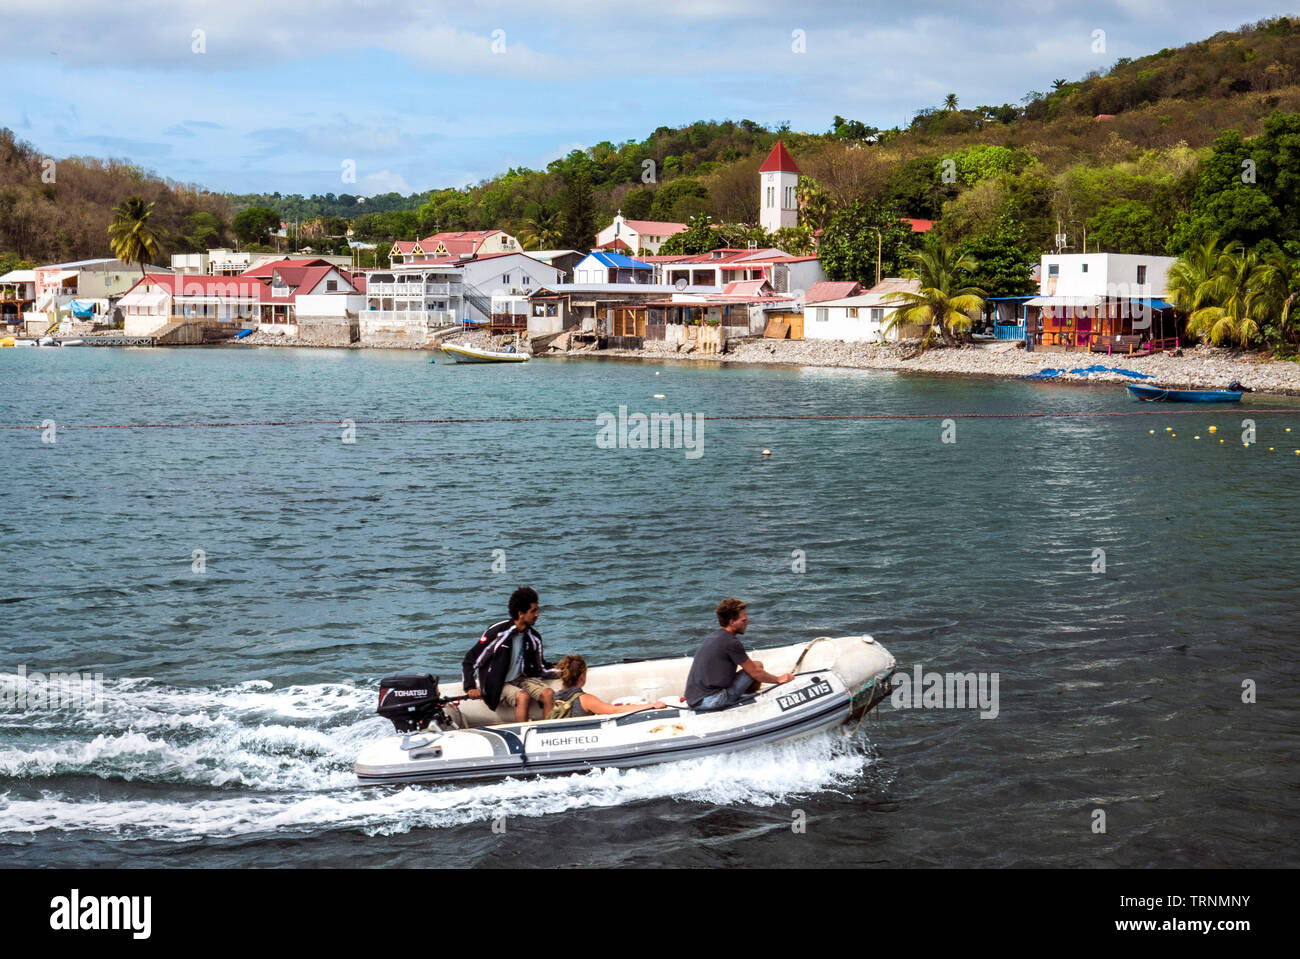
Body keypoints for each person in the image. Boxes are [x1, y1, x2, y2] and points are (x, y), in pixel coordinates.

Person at [461, 586, 556, 722]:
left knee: (548, 694)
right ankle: (522, 735)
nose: (537, 614)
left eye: (537, 610)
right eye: (533, 611)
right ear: (520, 613)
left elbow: (541, 668)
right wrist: (470, 687)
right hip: (496, 684)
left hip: (519, 679)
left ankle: (549, 733)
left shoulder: (533, 637)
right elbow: (470, 660)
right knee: (523, 697)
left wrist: (565, 670)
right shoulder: (498, 633)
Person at [683, 598, 793, 711]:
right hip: (712, 700)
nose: (747, 622)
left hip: (694, 699)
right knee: (757, 667)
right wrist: (779, 679)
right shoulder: (731, 642)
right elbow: (755, 672)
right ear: (732, 622)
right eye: (743, 620)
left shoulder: (713, 637)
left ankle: (744, 693)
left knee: (756, 665)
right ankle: (748, 696)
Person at [550, 655, 666, 717]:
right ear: (582, 677)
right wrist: (651, 705)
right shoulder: (585, 699)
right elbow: (614, 710)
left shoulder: (556, 697)